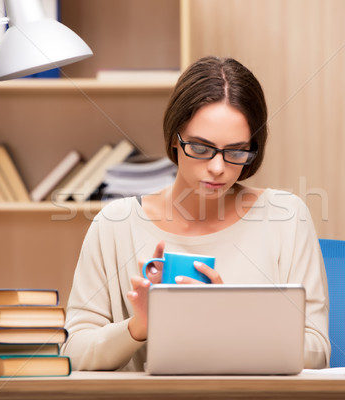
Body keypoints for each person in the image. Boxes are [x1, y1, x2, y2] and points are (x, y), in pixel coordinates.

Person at [61, 56, 330, 371]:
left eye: (236, 151)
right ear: (175, 140)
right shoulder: (115, 225)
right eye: (201, 149)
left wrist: (229, 321)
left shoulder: (286, 217)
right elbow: (74, 352)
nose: (218, 168)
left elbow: (317, 351)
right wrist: (139, 326)